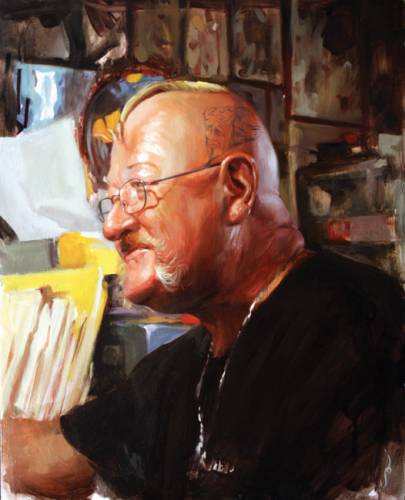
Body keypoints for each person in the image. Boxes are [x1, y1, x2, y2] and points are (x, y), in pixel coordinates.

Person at [2, 81, 404, 500]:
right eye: (112, 200)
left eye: (138, 190)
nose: (111, 226)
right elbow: (56, 452)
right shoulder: (187, 362)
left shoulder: (363, 330)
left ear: (236, 188)